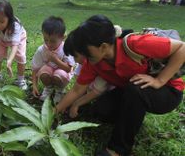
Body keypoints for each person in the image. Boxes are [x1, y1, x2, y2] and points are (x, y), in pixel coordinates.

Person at [56, 15, 184, 156]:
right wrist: (55, 111)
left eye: (86, 51)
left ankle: (117, 149)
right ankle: (132, 119)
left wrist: (159, 80)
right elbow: (77, 90)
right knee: (102, 109)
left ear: (103, 46)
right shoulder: (94, 62)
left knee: (135, 89)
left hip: (167, 91)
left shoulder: (135, 44)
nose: (83, 56)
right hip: (132, 91)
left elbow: (182, 48)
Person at [0, 0, 27, 90]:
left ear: (9, 17)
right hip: (2, 38)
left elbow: (14, 46)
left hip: (18, 39)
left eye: (2, 22)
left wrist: (9, 61)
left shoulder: (16, 26)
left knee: (20, 56)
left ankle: (21, 80)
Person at [31, 16, 75, 103]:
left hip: (62, 73)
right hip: (48, 71)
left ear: (63, 37)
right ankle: (48, 88)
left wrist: (56, 60)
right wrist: (34, 86)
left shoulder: (65, 48)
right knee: (43, 72)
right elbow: (35, 69)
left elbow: (69, 69)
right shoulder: (42, 50)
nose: (48, 44)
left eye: (53, 41)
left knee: (58, 75)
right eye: (45, 40)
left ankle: (60, 91)